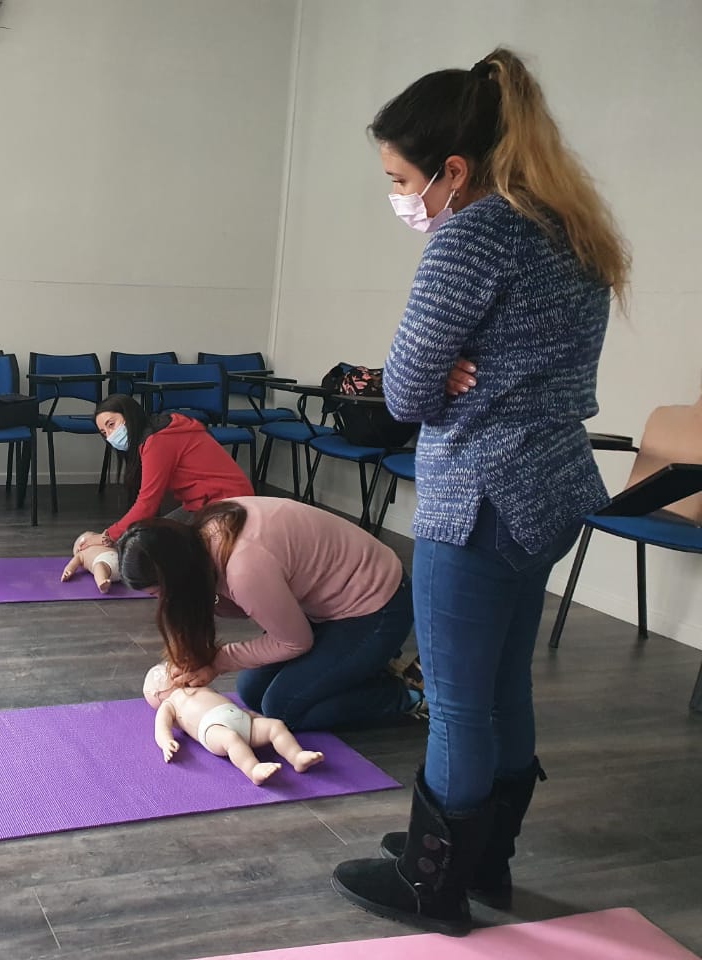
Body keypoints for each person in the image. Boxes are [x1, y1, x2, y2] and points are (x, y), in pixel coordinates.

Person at [331, 48, 631, 937]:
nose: (398, 197)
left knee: (460, 703)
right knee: (504, 686)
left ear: (452, 168)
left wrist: (434, 377)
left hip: (480, 496)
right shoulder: (572, 229)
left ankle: (434, 886)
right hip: (550, 490)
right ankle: (484, 855)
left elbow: (405, 393)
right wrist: (450, 371)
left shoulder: (473, 232)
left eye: (399, 178)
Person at [118, 498, 420, 732]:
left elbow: (294, 643)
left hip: (379, 606)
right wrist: (200, 653)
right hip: (326, 607)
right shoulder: (203, 537)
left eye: (157, 594)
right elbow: (239, 606)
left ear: (175, 575)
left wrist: (218, 661)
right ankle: (364, 664)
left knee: (283, 707)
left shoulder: (244, 566)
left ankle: (404, 695)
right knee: (251, 690)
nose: (161, 602)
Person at [76, 394, 253, 553]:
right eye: (104, 432)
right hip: (202, 504)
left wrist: (106, 536)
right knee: (142, 541)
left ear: (129, 415)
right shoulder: (154, 434)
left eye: (111, 424)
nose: (110, 436)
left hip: (228, 505)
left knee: (145, 547)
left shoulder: (157, 441)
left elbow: (147, 504)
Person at [142, 663, 324, 785]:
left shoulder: (202, 688)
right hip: (213, 729)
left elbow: (227, 705)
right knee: (231, 738)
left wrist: (252, 716)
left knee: (275, 726)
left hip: (239, 717)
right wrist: (166, 742)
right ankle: (253, 768)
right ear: (158, 694)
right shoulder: (169, 704)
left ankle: (297, 756)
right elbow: (161, 728)